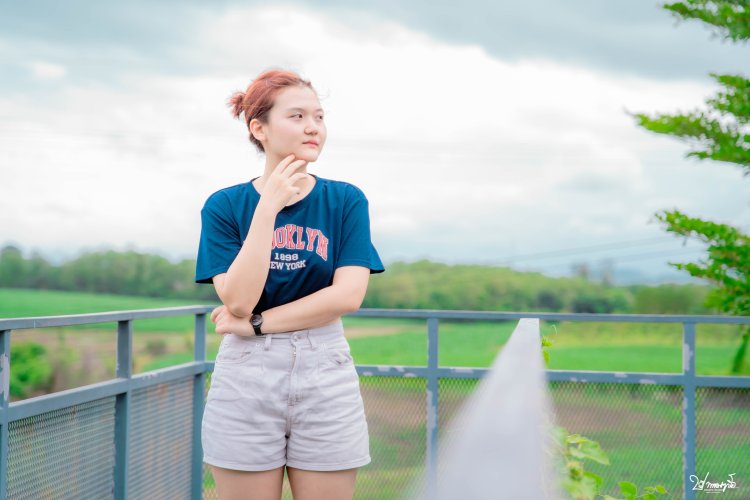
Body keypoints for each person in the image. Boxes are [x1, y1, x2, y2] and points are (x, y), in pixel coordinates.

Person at [194, 68, 385, 500]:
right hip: (246, 375)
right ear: (258, 128)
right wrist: (268, 208)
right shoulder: (225, 205)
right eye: (297, 116)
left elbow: (348, 295)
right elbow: (238, 301)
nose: (313, 127)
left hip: (325, 367)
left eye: (318, 116)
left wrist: (258, 324)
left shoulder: (345, 200)